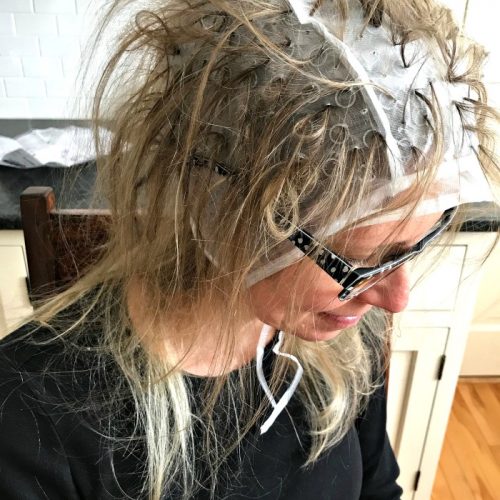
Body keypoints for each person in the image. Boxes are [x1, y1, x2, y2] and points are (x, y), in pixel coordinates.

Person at [0, 0, 498, 499]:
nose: (395, 299)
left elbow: (378, 489)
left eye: (409, 248)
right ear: (222, 211)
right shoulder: (29, 415)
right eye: (358, 259)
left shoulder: (346, 339)